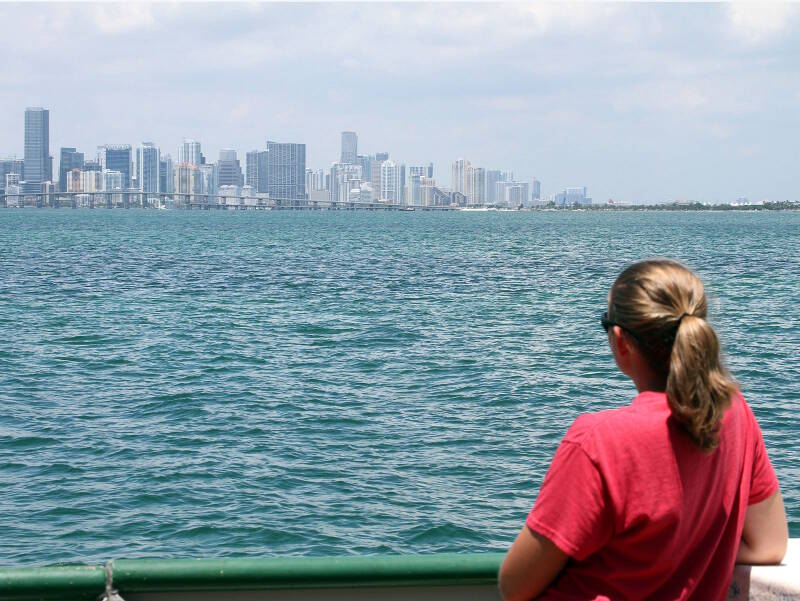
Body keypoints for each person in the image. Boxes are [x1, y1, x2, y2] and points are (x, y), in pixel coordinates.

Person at [499, 259, 788, 601]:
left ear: (621, 341)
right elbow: (770, 544)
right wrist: (693, 546)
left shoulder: (598, 442)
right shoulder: (734, 412)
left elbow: (514, 586)